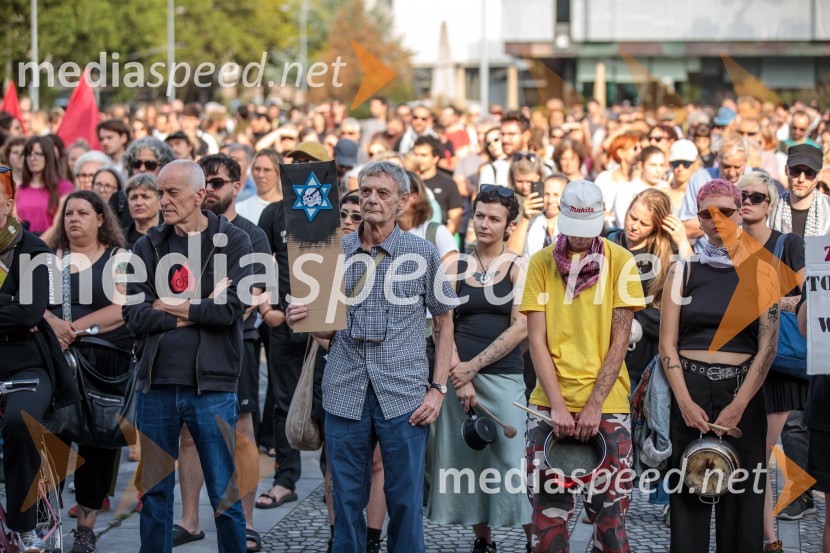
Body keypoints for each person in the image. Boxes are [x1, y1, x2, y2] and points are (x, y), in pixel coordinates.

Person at [284, 160, 458, 553]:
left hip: (404, 393)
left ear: (402, 201)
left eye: (382, 193)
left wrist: (437, 389)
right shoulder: (333, 251)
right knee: (343, 498)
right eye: (365, 191)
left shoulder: (423, 252)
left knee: (406, 500)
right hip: (345, 388)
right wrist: (305, 318)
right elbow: (325, 328)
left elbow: (445, 324)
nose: (372, 199)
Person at [122, 159, 252, 553]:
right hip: (157, 385)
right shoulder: (148, 244)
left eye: (171, 193)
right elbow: (134, 314)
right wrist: (198, 306)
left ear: (199, 196)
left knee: (224, 496)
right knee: (155, 495)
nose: (162, 201)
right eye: (160, 192)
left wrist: (167, 304)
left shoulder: (235, 241)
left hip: (211, 386)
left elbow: (230, 309)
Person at [520, 179, 645, 553]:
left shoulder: (620, 261)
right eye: (572, 231)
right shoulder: (541, 263)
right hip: (548, 401)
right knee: (548, 527)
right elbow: (536, 340)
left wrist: (594, 404)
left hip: (608, 403)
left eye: (585, 232)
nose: (578, 240)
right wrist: (557, 404)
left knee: (611, 525)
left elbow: (619, 340)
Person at [659, 179, 780, 553]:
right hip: (690, 389)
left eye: (726, 211)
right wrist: (683, 401)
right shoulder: (683, 271)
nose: (717, 221)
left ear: (740, 212)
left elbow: (767, 348)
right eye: (707, 214)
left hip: (742, 390)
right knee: (688, 499)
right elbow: (667, 343)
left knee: (742, 504)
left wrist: (739, 405)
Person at [172, 154, 271, 552]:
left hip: (236, 344)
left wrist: (198, 306)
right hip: (186, 348)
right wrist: (205, 304)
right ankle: (190, 520)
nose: (209, 190)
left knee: (242, 434)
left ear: (236, 185)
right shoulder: (181, 233)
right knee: (187, 437)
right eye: (205, 183)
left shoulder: (250, 234)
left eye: (217, 183)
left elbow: (248, 296)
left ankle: (244, 522)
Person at [426, 185, 531, 553]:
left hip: (502, 377)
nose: (484, 224)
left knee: (509, 460)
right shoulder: (454, 266)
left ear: (509, 224)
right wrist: (458, 374)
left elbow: (521, 325)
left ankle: (536, 539)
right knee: (468, 459)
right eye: (480, 215)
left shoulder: (518, 267)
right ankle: (483, 541)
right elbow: (442, 322)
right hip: (457, 378)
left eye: (494, 218)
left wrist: (474, 366)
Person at [43, 190, 131, 553]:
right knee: (53, 442)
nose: (73, 219)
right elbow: (30, 304)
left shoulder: (119, 258)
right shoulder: (50, 259)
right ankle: (48, 524)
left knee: (98, 445)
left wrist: (73, 328)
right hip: (58, 362)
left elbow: (122, 306)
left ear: (100, 218)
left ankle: (85, 528)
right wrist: (52, 322)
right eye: (68, 214)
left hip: (103, 363)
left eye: (82, 212)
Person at [0, 166, 79, 553]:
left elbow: (31, 313)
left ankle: (24, 525)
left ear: (9, 204)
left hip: (27, 365)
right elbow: (16, 310)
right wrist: (9, 305)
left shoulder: (34, 250)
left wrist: (18, 308)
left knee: (20, 423)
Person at [254, 145, 329, 514]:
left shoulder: (332, 210)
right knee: (283, 403)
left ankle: (337, 480)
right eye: (293, 163)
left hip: (329, 329)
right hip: (285, 325)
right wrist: (267, 308)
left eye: (307, 163)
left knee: (331, 402)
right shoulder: (273, 212)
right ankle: (286, 480)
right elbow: (256, 264)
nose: (299, 168)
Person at [735, 171, 805, 552]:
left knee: (758, 457)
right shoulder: (728, 247)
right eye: (741, 195)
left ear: (770, 205)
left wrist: (769, 303)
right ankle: (764, 537)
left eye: (756, 197)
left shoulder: (787, 243)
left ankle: (769, 539)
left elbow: (809, 295)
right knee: (749, 458)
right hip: (738, 360)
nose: (747, 201)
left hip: (777, 366)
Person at [768, 143, 828, 522]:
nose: (801, 179)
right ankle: (799, 490)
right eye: (795, 171)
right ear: (787, 171)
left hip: (821, 320)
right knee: (788, 414)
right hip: (781, 324)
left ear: (819, 174)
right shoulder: (773, 210)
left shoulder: (829, 214)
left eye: (808, 172)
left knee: (812, 409)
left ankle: (809, 485)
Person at [16, 136, 74, 234]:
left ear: (48, 156)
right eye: (29, 154)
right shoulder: (18, 189)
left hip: (49, 245)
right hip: (21, 244)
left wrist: (37, 246)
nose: (32, 158)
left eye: (38, 154)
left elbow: (58, 225)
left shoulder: (63, 187)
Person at [412, 136, 463, 235]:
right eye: (416, 155)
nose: (418, 159)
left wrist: (440, 242)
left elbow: (455, 219)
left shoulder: (448, 183)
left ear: (435, 158)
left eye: (423, 155)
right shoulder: (408, 182)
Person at [613, 145, 667, 228]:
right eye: (653, 165)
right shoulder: (626, 190)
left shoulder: (668, 189)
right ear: (641, 166)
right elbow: (623, 224)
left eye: (662, 165)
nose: (658, 170)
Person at [478, 112, 532, 186]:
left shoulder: (543, 167)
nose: (505, 139)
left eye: (511, 134)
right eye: (502, 134)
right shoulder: (491, 171)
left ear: (526, 135)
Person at [524, 173, 566, 257]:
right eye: (546, 194)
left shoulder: (573, 226)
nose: (550, 200)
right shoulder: (532, 222)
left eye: (556, 195)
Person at [236, 149, 282, 225]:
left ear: (278, 173)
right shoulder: (239, 209)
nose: (261, 175)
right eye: (257, 169)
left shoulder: (288, 210)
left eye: (267, 170)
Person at [122, 174, 161, 250]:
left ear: (160, 202)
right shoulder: (117, 240)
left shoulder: (172, 236)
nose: (139, 203)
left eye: (145, 197)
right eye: (133, 198)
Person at [665, 139, 699, 214]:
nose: (680, 169)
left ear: (696, 164)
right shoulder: (663, 192)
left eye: (686, 163)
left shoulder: (703, 195)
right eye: (675, 164)